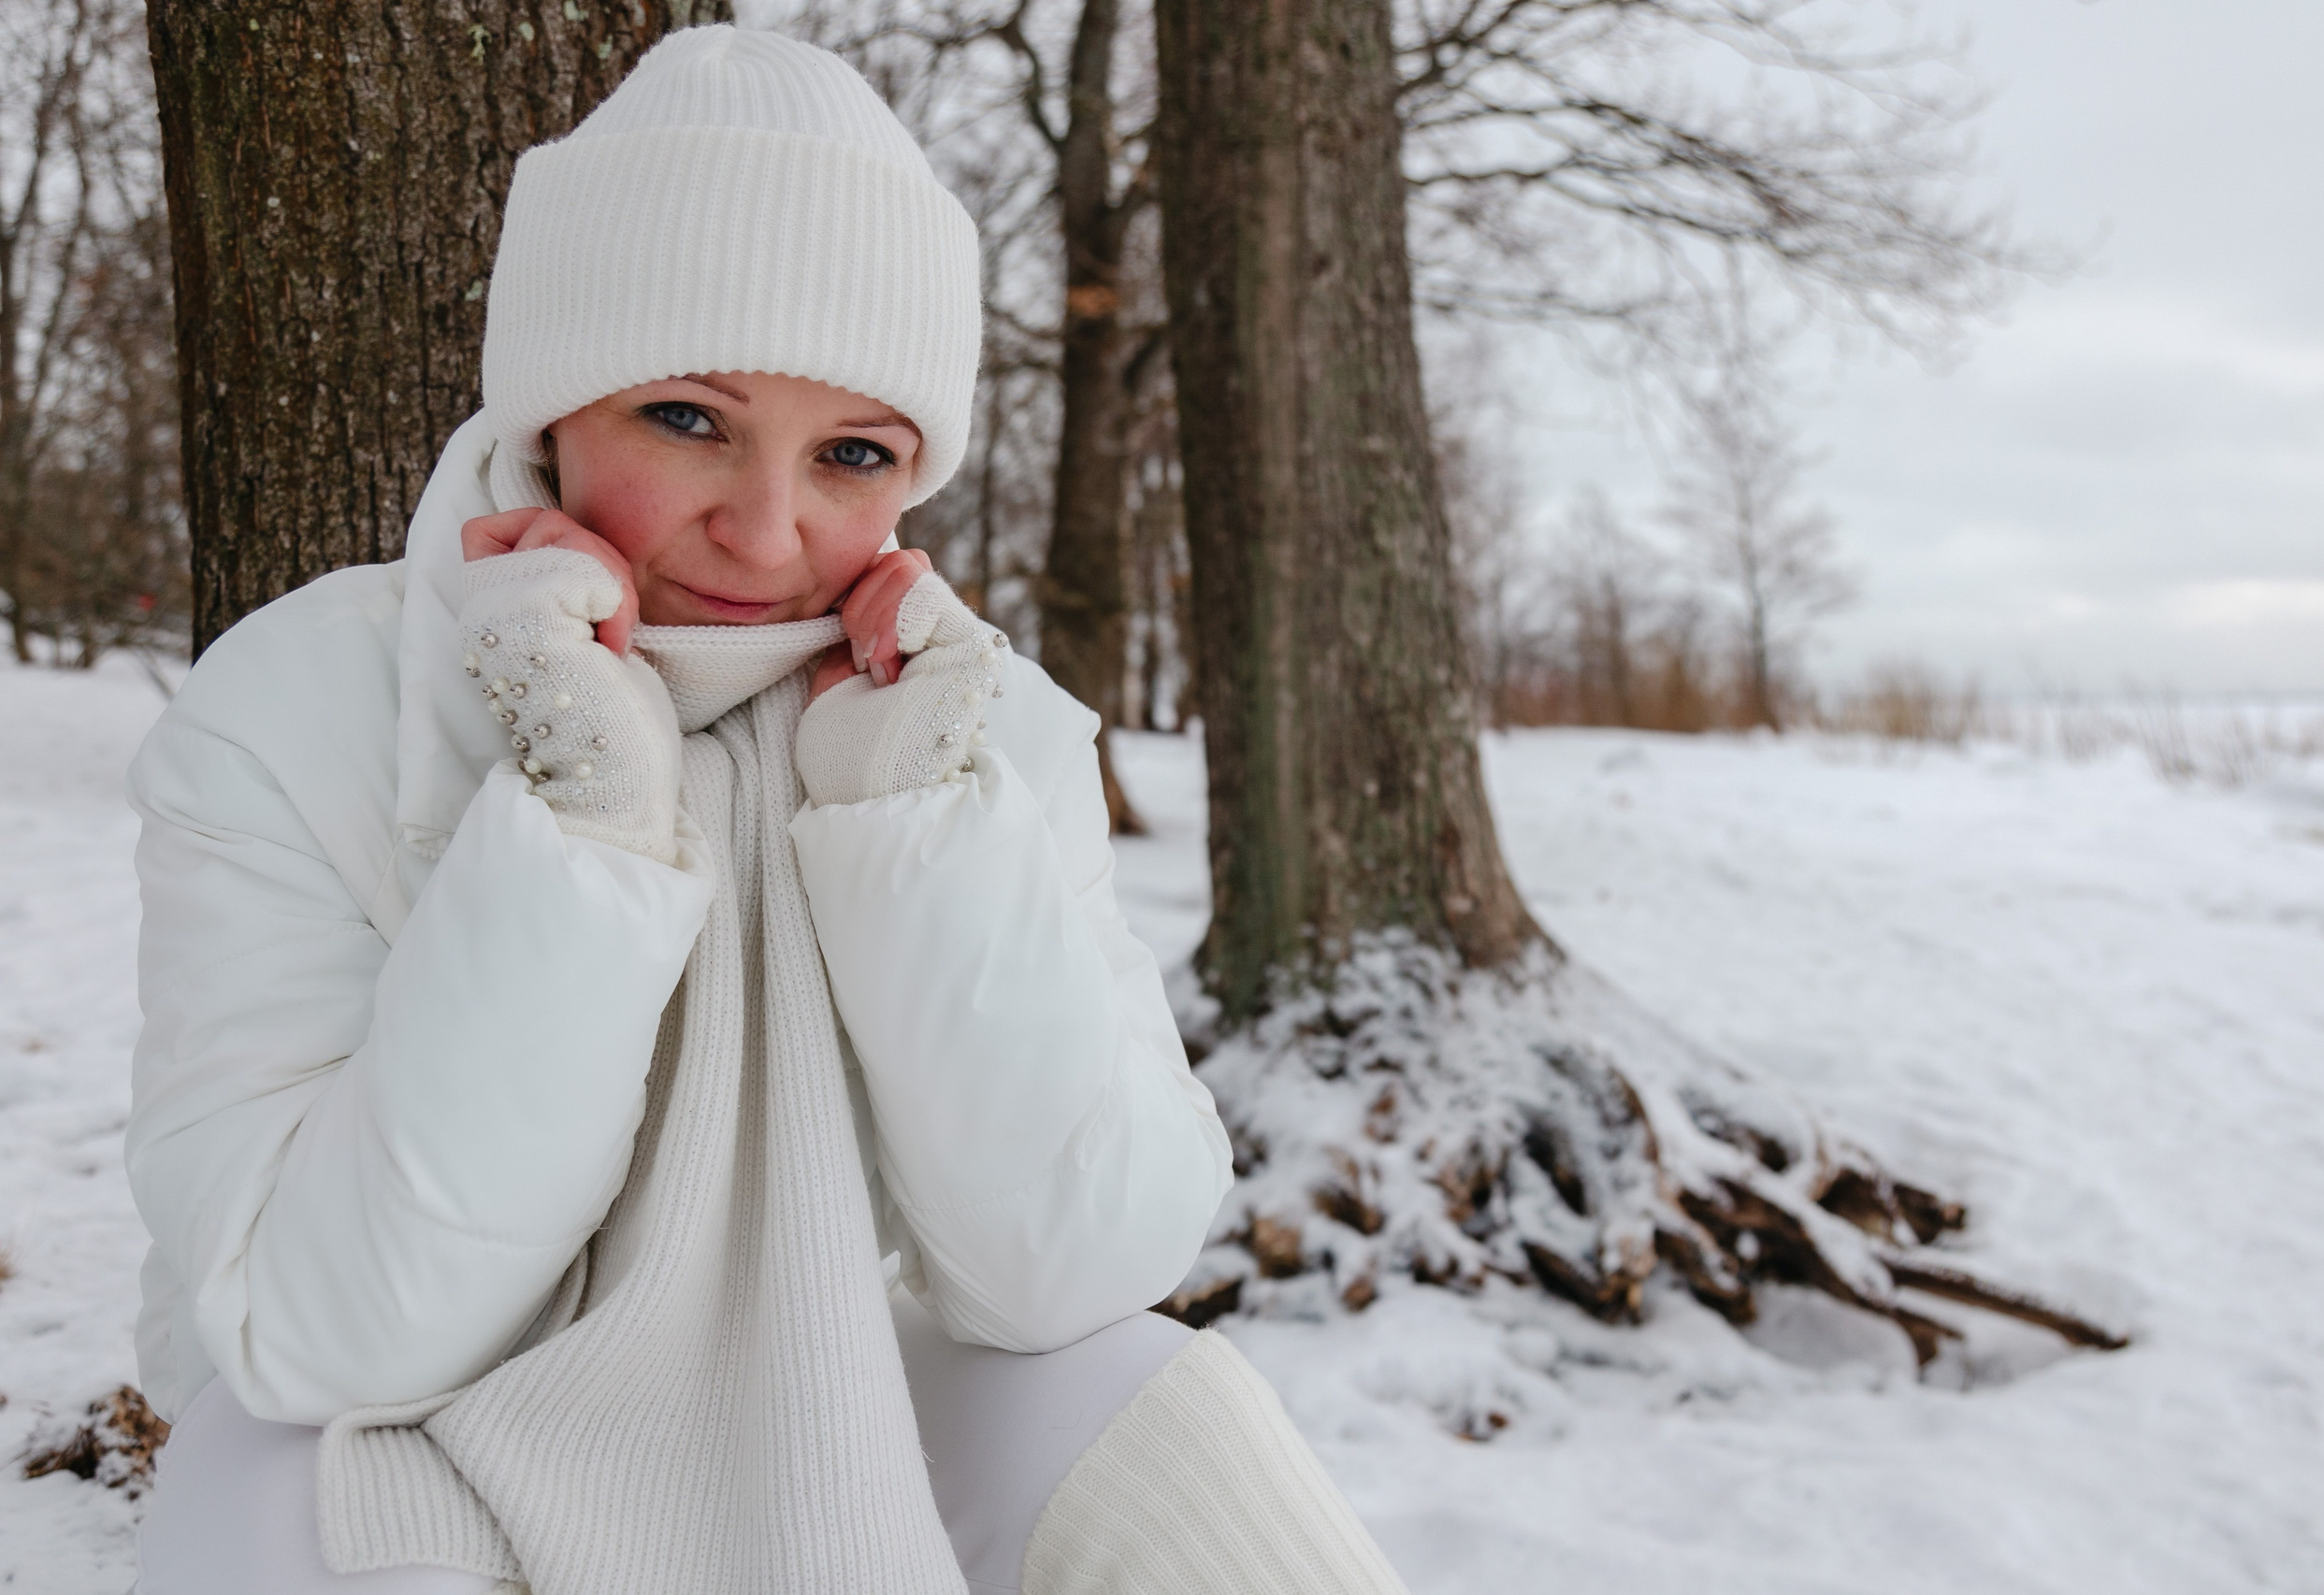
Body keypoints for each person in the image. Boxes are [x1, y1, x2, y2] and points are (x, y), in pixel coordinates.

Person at [123, 27, 1408, 1595]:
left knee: (1164, 1418)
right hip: (381, 1411)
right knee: (279, 1505)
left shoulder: (972, 726)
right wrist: (586, 824)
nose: (766, 529)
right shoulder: (294, 707)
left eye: (852, 453)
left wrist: (911, 825)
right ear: (553, 405)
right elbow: (318, 1328)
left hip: (825, 1370)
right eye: (689, 418)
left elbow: (1071, 1273)